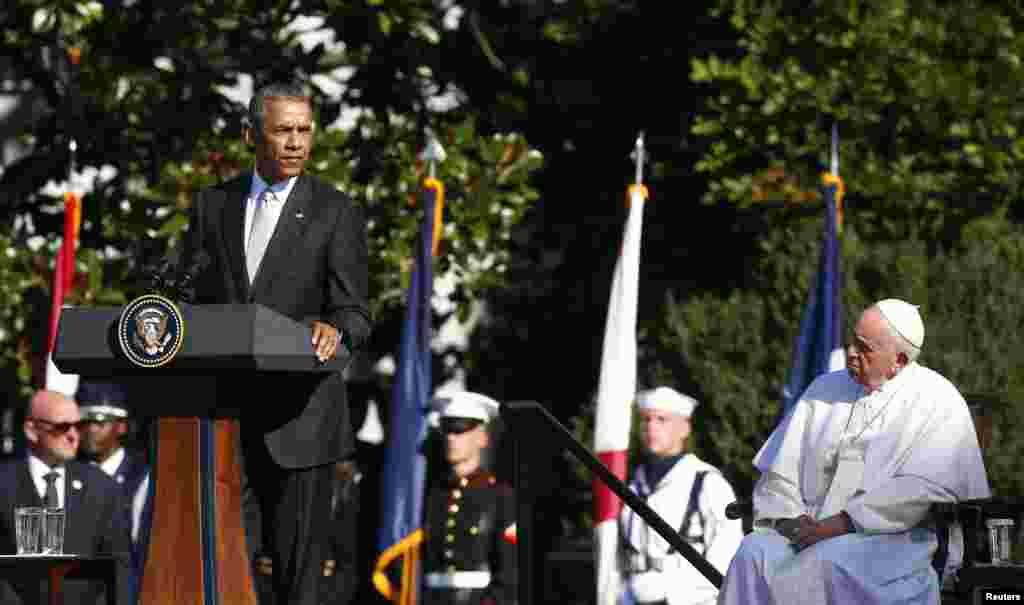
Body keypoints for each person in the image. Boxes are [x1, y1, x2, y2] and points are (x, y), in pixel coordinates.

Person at [175, 79, 371, 605]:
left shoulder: (335, 211)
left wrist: (337, 329)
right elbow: (186, 290)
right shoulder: (212, 206)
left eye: (305, 131)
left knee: (295, 584)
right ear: (250, 135)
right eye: (283, 130)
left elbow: (355, 310)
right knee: (225, 574)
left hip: (301, 423)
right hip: (224, 423)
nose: (296, 143)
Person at [717, 299, 991, 605]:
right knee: (753, 552)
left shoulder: (937, 400)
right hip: (806, 530)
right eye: (852, 341)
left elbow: (925, 490)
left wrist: (840, 525)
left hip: (890, 542)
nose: (850, 353)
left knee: (826, 562)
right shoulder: (825, 388)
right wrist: (790, 520)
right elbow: (782, 469)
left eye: (864, 348)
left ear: (898, 360)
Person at [0, 390, 131, 605]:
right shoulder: (4, 483)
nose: (74, 435)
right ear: (32, 430)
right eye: (62, 427)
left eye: (77, 426)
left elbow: (120, 566)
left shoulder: (101, 487)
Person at [617, 387, 743, 605]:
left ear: (685, 428)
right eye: (646, 419)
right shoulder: (632, 486)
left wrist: (673, 595)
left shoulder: (709, 483)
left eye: (661, 419)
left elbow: (727, 557)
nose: (651, 427)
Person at [421, 391, 516, 605]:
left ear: (482, 438)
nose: (451, 438)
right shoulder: (432, 493)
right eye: (447, 430)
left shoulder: (500, 496)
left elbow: (509, 573)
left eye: (460, 430)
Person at [75, 381, 151, 589]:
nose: (90, 429)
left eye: (100, 422)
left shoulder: (142, 478)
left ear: (121, 426)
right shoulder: (68, 476)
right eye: (83, 422)